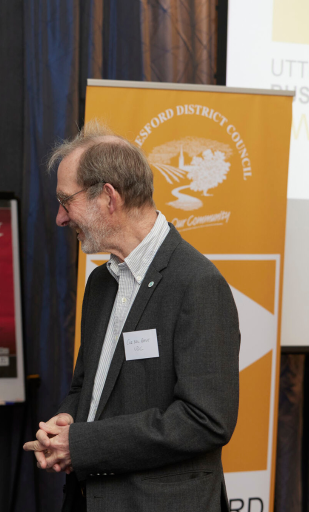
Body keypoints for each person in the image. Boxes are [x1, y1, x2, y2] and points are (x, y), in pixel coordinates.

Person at [23, 122, 240, 512]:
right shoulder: (101, 283)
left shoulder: (197, 283)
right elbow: (88, 386)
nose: (59, 217)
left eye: (64, 201)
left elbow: (206, 420)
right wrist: (66, 423)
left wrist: (83, 445)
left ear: (108, 197)